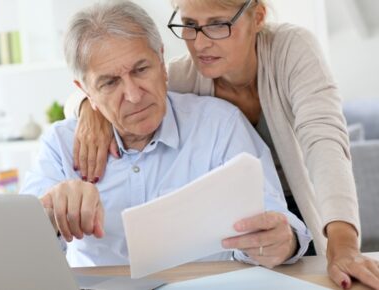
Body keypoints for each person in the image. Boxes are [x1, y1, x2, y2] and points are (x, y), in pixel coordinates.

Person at [66, 0, 379, 288]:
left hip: (296, 212)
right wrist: (88, 110)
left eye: (218, 23)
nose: (200, 43)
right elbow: (100, 87)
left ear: (257, 17)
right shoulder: (178, 75)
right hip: (241, 222)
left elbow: (324, 142)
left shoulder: (291, 48)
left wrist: (345, 246)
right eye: (189, 25)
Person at [20, 0, 311, 270]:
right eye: (110, 83)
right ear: (85, 92)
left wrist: (283, 242)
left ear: (161, 61)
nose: (133, 95)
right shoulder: (60, 145)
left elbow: (275, 218)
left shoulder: (221, 126)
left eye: (141, 69)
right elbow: (20, 250)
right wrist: (51, 214)